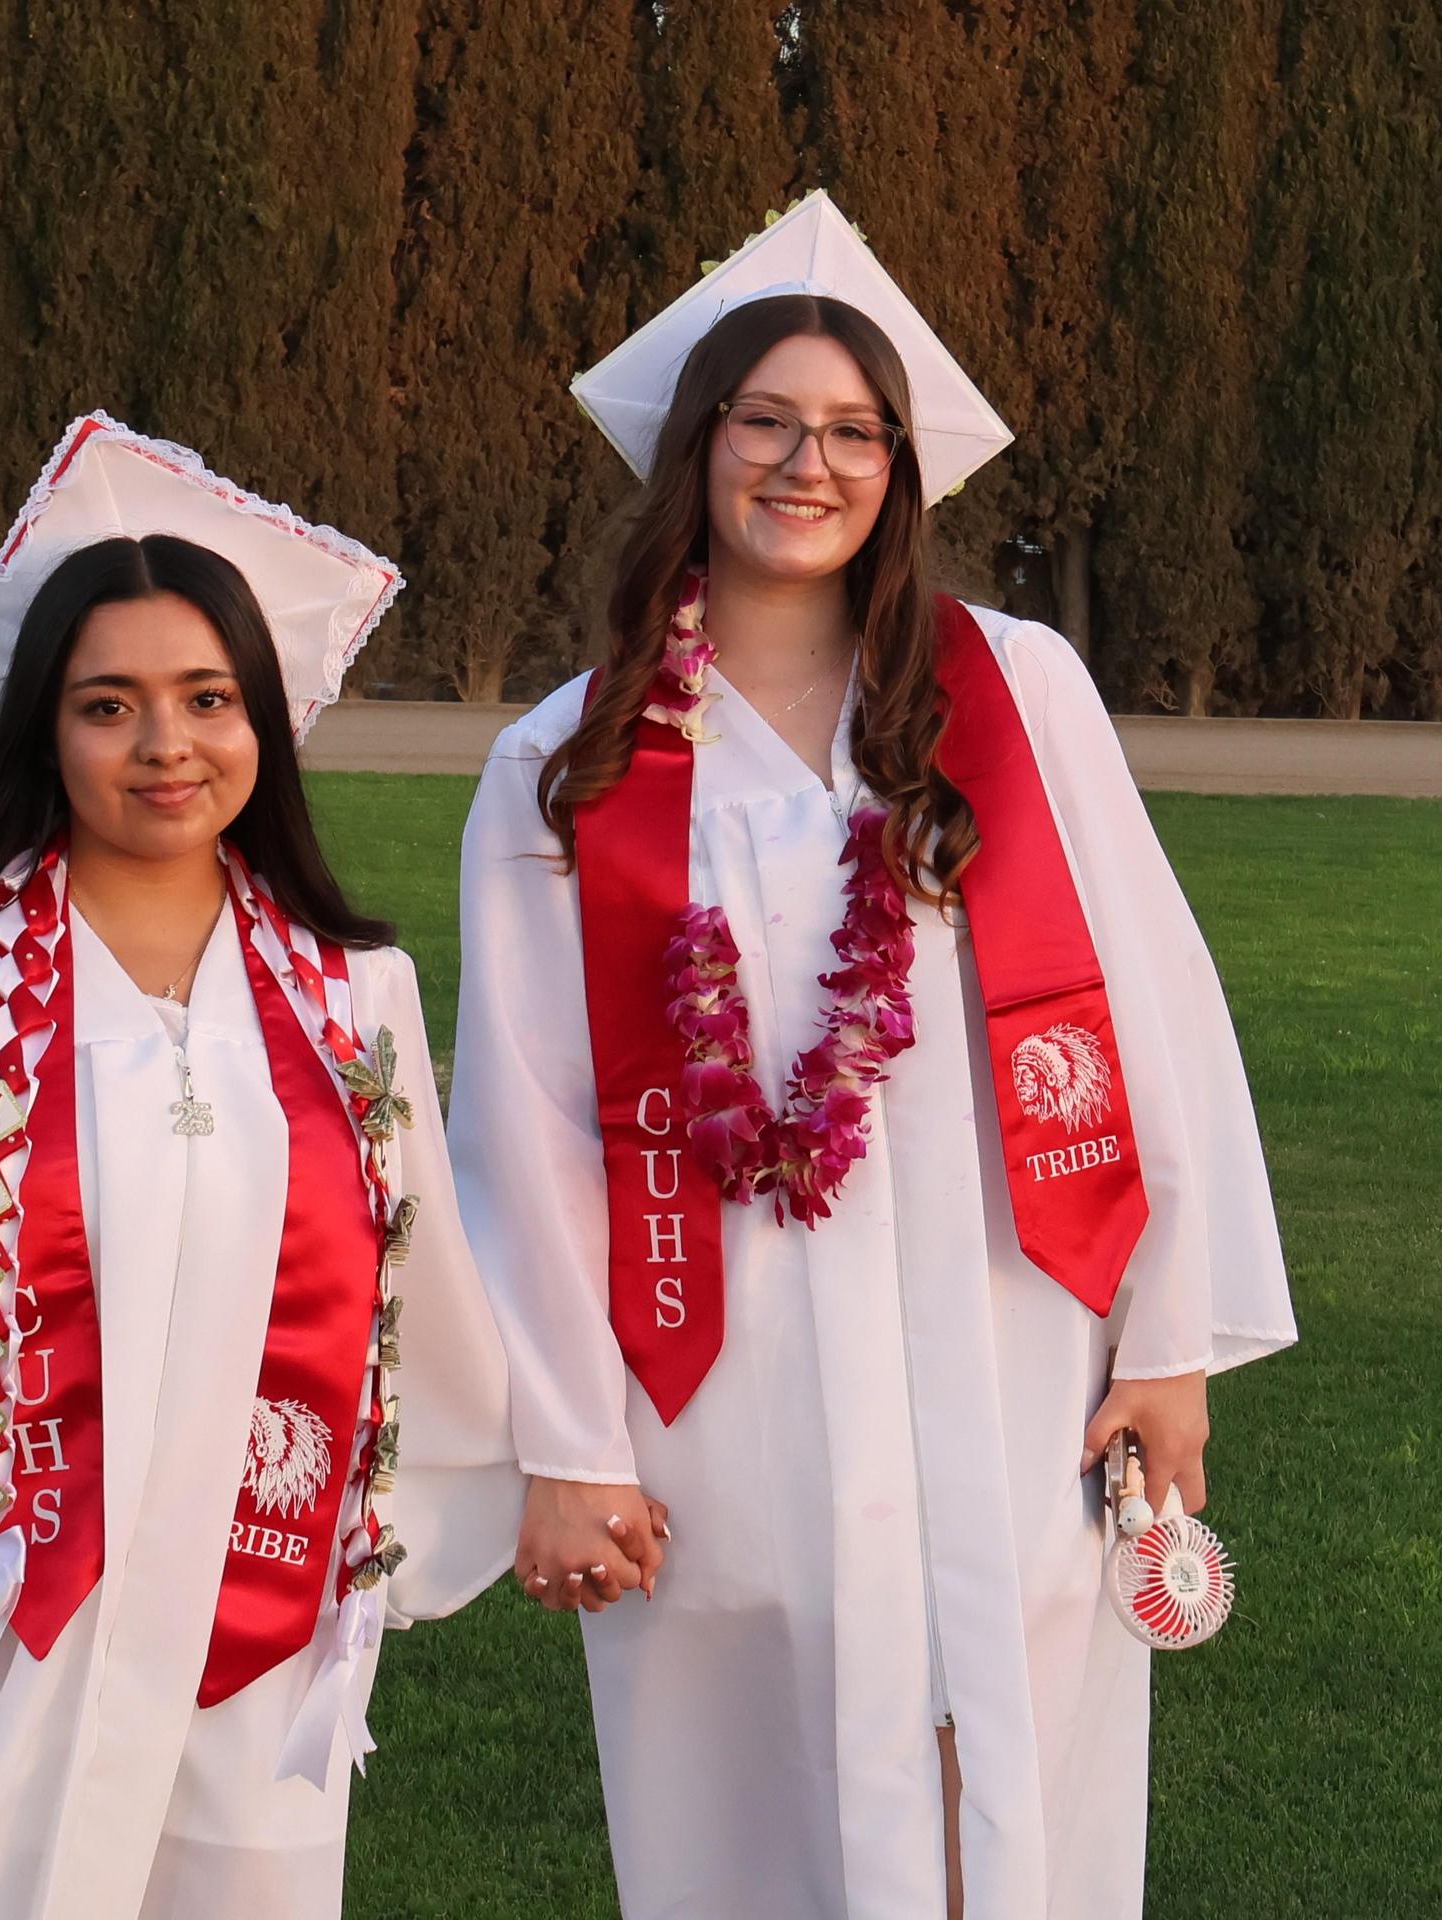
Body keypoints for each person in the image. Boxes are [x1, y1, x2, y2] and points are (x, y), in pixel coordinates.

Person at [448, 195, 1296, 1919]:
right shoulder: (572, 762)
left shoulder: (1017, 689)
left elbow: (1152, 1005)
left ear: (898, 469)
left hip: (1015, 1339)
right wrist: (569, 1441)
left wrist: (1170, 1338)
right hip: (724, 1376)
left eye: (851, 430)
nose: (806, 463)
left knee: (1020, 1736)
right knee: (759, 1773)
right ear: (696, 451)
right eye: (765, 421)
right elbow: (522, 1127)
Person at [0, 413, 521, 1920]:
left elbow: (420, 1270)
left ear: (265, 718)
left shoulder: (348, 993)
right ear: (44, 732)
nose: (167, 746)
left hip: (255, 1604)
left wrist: (517, 1466)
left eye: (207, 698)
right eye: (109, 705)